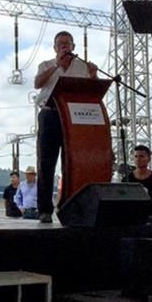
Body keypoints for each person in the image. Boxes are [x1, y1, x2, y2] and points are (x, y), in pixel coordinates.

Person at [34, 31, 97, 223]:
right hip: (50, 114)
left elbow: (92, 91)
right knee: (46, 162)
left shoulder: (82, 66)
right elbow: (37, 83)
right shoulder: (46, 65)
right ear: (54, 48)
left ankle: (70, 207)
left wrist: (93, 75)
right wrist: (57, 65)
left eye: (67, 43)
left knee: (73, 163)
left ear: (73, 47)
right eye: (60, 44)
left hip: (74, 115)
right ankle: (45, 210)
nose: (64, 46)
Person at [122, 145, 152, 217]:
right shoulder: (127, 179)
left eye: (141, 156)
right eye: (136, 156)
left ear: (149, 159)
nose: (138, 159)